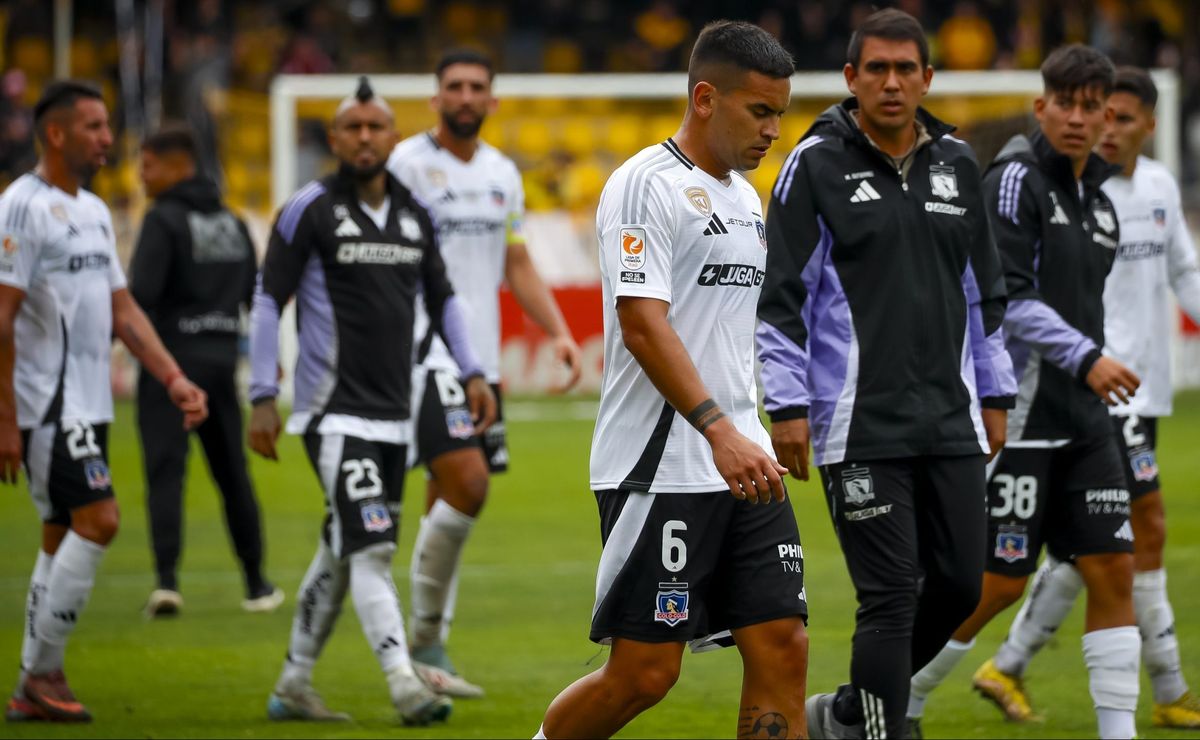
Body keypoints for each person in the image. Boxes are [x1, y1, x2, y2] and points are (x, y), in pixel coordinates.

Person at [535, 21, 807, 740]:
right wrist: (719, 430)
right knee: (645, 675)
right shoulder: (641, 186)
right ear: (706, 97)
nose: (774, 130)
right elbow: (642, 324)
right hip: (661, 467)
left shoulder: (747, 200)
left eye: (780, 113)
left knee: (784, 642)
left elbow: (732, 329)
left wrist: (761, 421)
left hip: (744, 461)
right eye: (760, 112)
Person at [757, 9, 1015, 739]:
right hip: (856, 422)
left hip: (951, 418)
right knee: (892, 596)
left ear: (927, 78)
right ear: (851, 79)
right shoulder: (813, 165)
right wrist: (787, 406)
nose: (892, 82)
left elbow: (983, 293)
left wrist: (994, 392)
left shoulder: (959, 164)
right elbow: (780, 299)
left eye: (906, 69)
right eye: (877, 69)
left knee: (962, 585)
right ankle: (880, 731)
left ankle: (846, 714)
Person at [930, 66, 1200, 730]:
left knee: (1112, 559)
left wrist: (1094, 363)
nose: (1087, 121)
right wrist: (1087, 359)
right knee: (1001, 582)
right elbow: (1012, 300)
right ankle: (898, 695)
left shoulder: (1109, 200)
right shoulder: (1018, 182)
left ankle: (1134, 714)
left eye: (1099, 109)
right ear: (1042, 108)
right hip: (1031, 407)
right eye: (1070, 106)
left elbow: (1166, 279)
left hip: (1101, 406)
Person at [247, 77, 496, 726]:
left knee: (344, 543)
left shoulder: (415, 214)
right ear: (333, 139)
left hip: (394, 415)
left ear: (393, 135)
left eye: (375, 127)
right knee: (374, 548)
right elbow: (270, 299)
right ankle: (404, 682)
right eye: (351, 128)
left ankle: (295, 681)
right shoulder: (309, 209)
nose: (364, 138)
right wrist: (263, 392)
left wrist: (472, 371)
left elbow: (443, 300)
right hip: (333, 413)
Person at [0, 80, 208, 723]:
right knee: (101, 520)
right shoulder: (21, 207)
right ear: (56, 134)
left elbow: (124, 310)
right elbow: (0, 318)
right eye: (93, 126)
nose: (107, 138)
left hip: (88, 406)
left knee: (60, 533)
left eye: (106, 125)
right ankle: (40, 675)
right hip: (45, 404)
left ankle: (35, 680)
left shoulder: (91, 211)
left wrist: (173, 376)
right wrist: (4, 417)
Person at [385, 49, 582, 698]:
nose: (465, 96)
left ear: (492, 101)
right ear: (435, 98)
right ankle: (423, 639)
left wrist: (556, 331)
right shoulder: (406, 166)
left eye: (477, 87)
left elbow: (516, 262)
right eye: (454, 87)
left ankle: (424, 648)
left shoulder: (502, 173)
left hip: (481, 362)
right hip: (421, 352)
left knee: (448, 494)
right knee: (467, 482)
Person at [130, 125, 282, 618]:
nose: (140, 175)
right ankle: (257, 583)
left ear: (178, 166)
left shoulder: (163, 220)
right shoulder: (234, 223)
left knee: (166, 473)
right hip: (220, 364)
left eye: (148, 164)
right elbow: (253, 298)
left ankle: (167, 582)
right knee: (233, 474)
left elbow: (142, 296)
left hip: (170, 365)